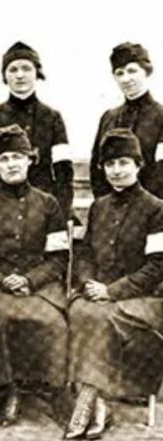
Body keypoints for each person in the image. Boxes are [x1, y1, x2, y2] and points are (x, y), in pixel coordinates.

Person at [0, 124, 68, 427]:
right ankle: (5, 389)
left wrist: (31, 280)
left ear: (30, 160)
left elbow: (58, 258)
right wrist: (0, 280)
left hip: (39, 286)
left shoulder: (48, 204)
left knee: (52, 322)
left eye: (17, 157)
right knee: (3, 315)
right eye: (4, 159)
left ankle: (54, 390)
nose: (11, 164)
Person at [66, 128, 163, 439]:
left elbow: (157, 266)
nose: (117, 170)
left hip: (144, 300)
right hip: (98, 293)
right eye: (110, 164)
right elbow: (84, 253)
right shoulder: (99, 207)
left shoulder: (156, 209)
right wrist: (88, 282)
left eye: (124, 163)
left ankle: (89, 401)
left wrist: (112, 291)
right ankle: (97, 402)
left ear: (138, 165)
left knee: (96, 316)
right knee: (79, 310)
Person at [0, 42, 73, 216]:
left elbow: (63, 170)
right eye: (13, 70)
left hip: (42, 207)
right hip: (0, 208)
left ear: (37, 73)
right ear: (5, 76)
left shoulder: (52, 117)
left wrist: (62, 213)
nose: (20, 75)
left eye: (26, 68)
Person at [90, 42, 163, 199]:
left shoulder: (161, 116)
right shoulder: (108, 118)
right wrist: (104, 205)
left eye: (132, 71)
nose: (126, 79)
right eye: (119, 73)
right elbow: (96, 168)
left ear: (146, 72)